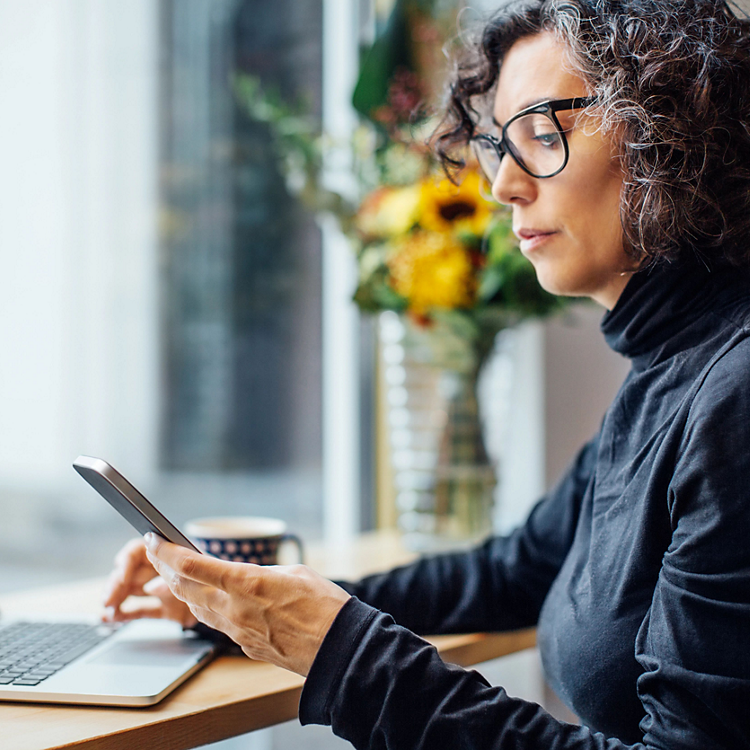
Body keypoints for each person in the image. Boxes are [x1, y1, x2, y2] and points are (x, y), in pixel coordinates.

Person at [102, 1, 750, 747]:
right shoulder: (670, 367)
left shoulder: (731, 396)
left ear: (670, 134)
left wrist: (342, 653)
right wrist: (248, 605)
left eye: (543, 135)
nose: (503, 183)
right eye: (497, 144)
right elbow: (516, 570)